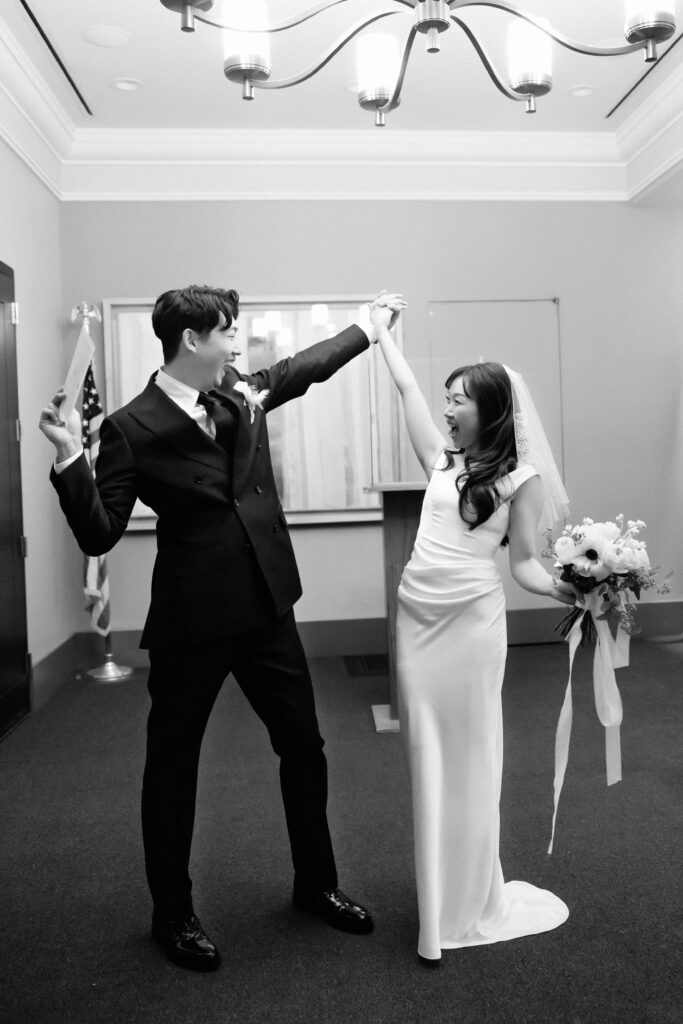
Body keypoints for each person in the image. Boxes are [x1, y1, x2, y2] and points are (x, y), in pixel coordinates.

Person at [39, 285, 405, 972]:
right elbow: (99, 531)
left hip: (268, 605)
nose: (238, 341)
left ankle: (315, 884)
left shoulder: (237, 390)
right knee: (172, 769)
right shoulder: (128, 426)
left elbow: (301, 368)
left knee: (305, 746)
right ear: (191, 341)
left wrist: (366, 327)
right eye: (228, 331)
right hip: (193, 620)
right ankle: (171, 915)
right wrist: (69, 459)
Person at [370, 303, 576, 963]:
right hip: (415, 621)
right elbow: (403, 389)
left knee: (469, 759)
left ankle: (466, 904)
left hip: (470, 626)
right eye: (446, 398)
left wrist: (575, 588)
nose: (446, 407)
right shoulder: (438, 459)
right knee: (424, 757)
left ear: (490, 411)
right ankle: (440, 903)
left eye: (458, 400)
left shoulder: (523, 480)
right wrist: (380, 335)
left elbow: (523, 566)